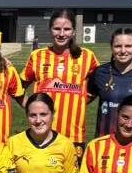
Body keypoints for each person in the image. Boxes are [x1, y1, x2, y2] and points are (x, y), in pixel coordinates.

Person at [21, 10, 101, 153]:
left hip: (73, 133)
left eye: (67, 29)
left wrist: (83, 99)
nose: (62, 34)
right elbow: (18, 87)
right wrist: (30, 106)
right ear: (50, 29)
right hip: (42, 132)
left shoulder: (87, 56)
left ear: (74, 32)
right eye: (57, 29)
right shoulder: (37, 56)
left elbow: (101, 84)